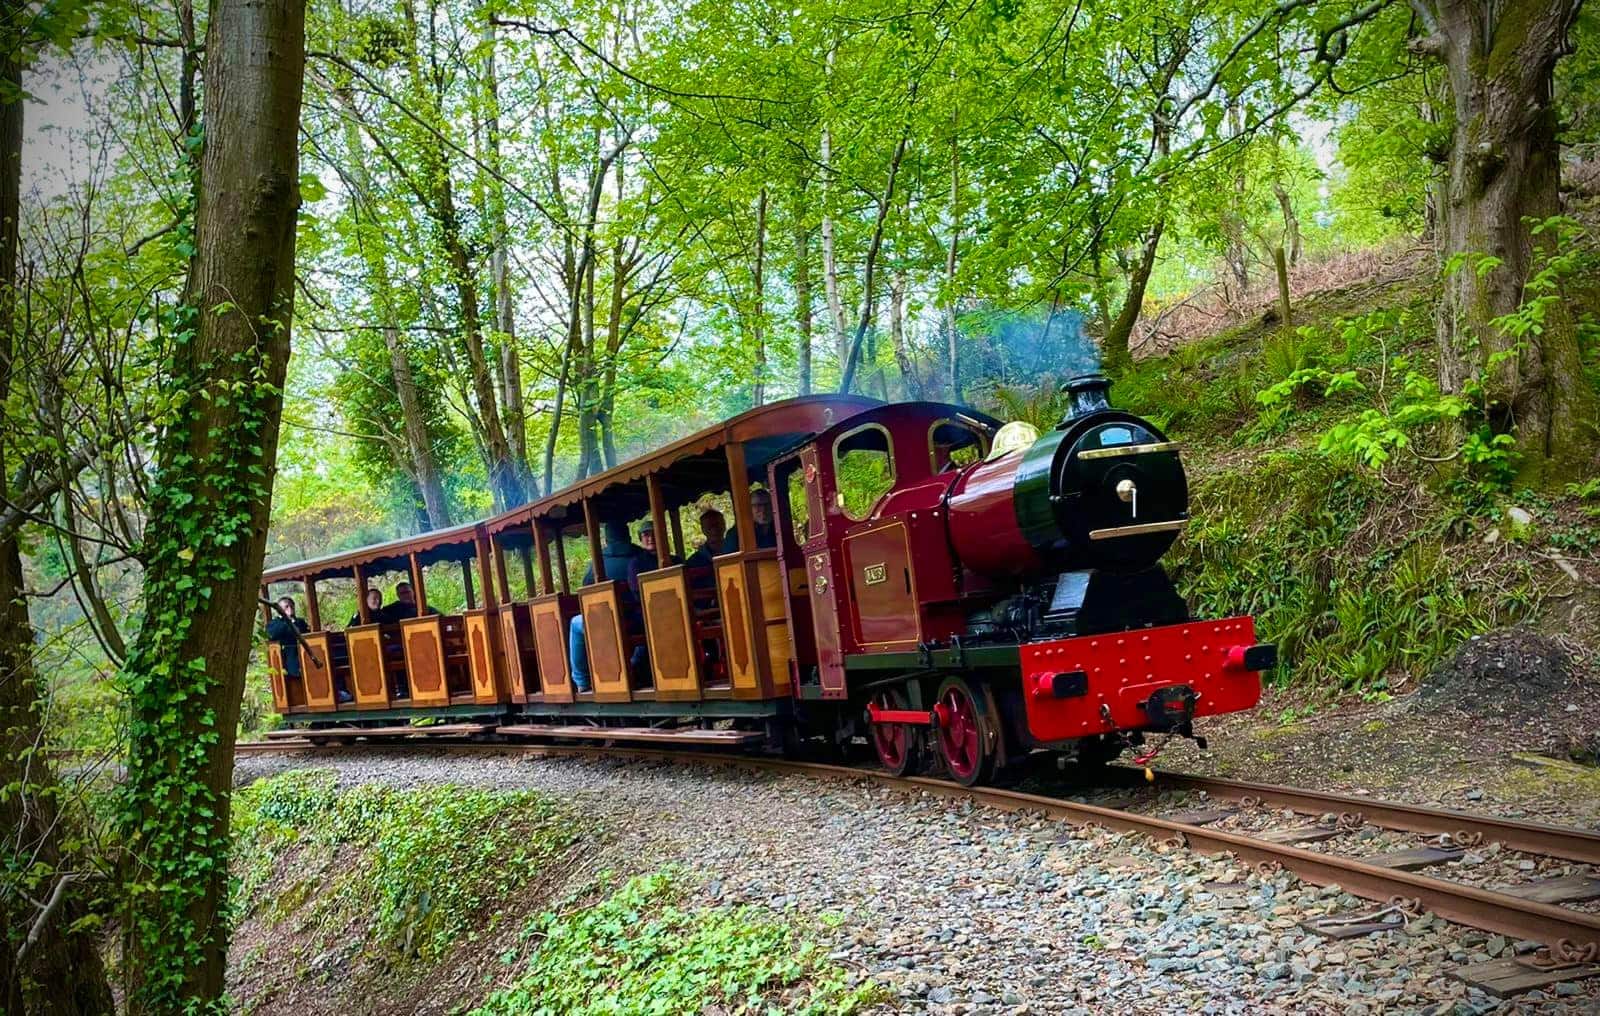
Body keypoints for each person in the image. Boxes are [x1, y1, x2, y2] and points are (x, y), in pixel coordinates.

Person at [569, 521, 654, 691]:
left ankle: (582, 680)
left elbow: (585, 590)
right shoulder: (641, 557)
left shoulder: (598, 562)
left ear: (606, 540)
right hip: (642, 618)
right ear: (629, 536)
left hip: (610, 621)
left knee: (575, 623)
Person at [266, 597, 309, 682]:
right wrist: (288, 621)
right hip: (288, 659)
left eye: (292, 606)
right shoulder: (274, 624)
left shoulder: (300, 622)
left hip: (304, 656)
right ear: (279, 610)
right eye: (286, 607)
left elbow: (306, 634)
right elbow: (272, 635)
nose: (290, 609)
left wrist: (292, 621)